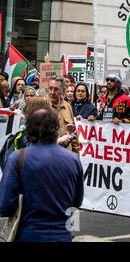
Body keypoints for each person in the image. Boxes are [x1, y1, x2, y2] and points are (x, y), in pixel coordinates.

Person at [0, 107, 84, 242]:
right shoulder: (73, 160)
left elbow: (5, 206)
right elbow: (76, 201)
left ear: (28, 129)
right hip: (62, 236)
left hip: (28, 235)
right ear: (56, 128)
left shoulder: (17, 158)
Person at [0, 96, 73, 171]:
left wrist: (66, 136)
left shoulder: (44, 129)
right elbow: (34, 153)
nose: (52, 110)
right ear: (38, 111)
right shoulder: (26, 131)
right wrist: (57, 141)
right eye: (49, 107)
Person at [47, 76, 79, 153]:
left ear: (63, 90)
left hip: (67, 155)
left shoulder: (67, 106)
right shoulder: (43, 106)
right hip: (49, 155)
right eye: (50, 88)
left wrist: (76, 151)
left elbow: (73, 132)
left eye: (56, 89)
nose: (52, 92)